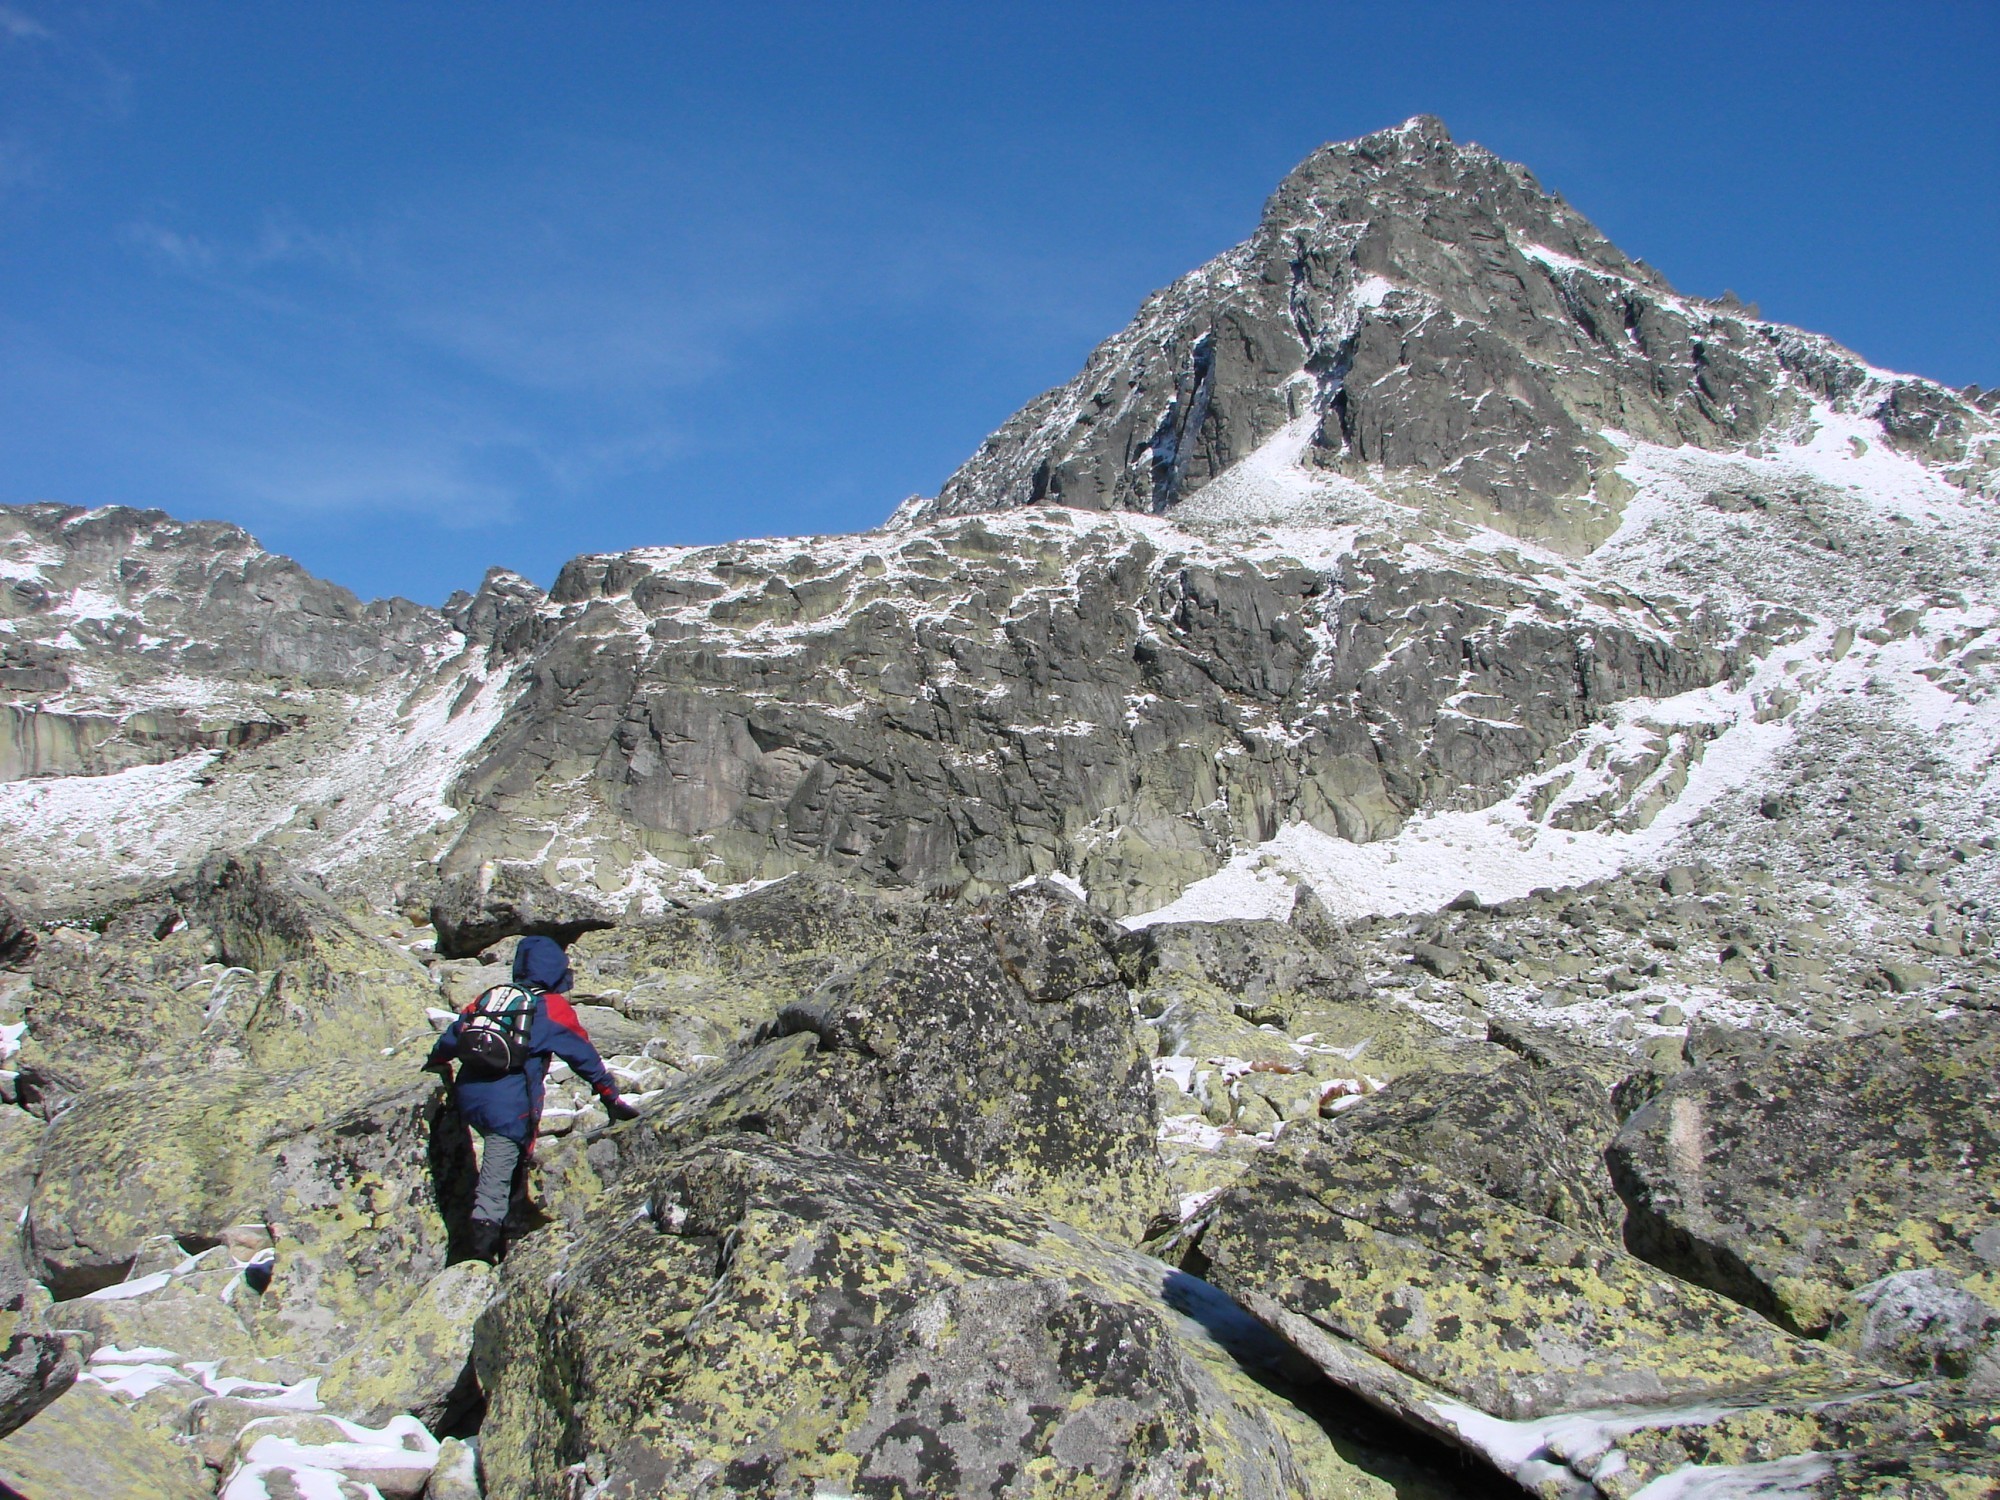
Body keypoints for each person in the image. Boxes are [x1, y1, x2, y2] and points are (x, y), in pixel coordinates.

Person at [423, 934, 641, 1262]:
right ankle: (479, 1259)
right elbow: (583, 1056)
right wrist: (610, 1096)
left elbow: (455, 1035)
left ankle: (509, 1230)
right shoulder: (551, 1007)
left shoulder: (495, 996)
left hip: (468, 1094)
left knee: (501, 1167)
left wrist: (435, 1063)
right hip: (507, 1107)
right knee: (495, 1183)